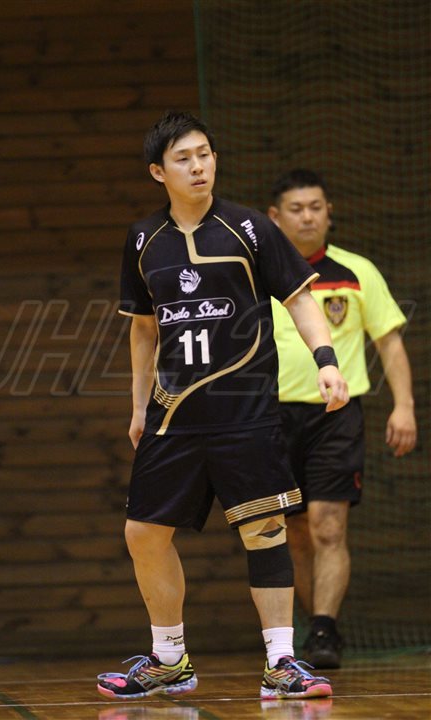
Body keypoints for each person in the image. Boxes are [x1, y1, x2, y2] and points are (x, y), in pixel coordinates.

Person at [97, 113, 349, 702]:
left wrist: (327, 360)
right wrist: (138, 407)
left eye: (205, 154)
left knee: (265, 530)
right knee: (143, 533)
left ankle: (281, 663)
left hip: (246, 413)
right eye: (183, 158)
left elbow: (300, 299)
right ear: (158, 172)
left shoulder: (250, 228)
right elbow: (143, 329)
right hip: (173, 415)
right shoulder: (143, 239)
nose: (199, 166)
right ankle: (169, 660)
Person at [268, 169, 417, 669]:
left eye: (316, 207)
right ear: (275, 217)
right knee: (295, 532)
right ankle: (315, 627)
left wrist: (404, 405)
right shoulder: (258, 274)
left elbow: (388, 342)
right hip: (271, 418)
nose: (308, 217)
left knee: (328, 526)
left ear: (329, 212)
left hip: (336, 416)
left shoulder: (357, 272)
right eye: (296, 209)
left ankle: (325, 630)